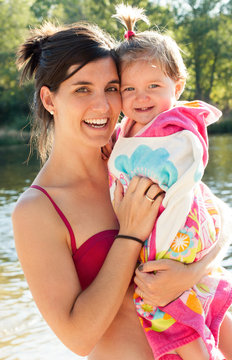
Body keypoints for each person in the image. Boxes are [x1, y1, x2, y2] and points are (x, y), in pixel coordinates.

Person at [12, 20, 231, 360]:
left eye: (112, 88)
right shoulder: (37, 210)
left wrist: (191, 272)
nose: (103, 106)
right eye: (82, 89)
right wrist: (130, 235)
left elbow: (219, 218)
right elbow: (79, 338)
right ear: (49, 99)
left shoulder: (137, 154)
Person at [108, 4, 232, 360]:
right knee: (179, 305)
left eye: (153, 86)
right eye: (129, 89)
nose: (140, 97)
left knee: (168, 307)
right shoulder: (128, 130)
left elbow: (176, 167)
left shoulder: (174, 127)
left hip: (180, 235)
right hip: (177, 236)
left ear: (177, 86)